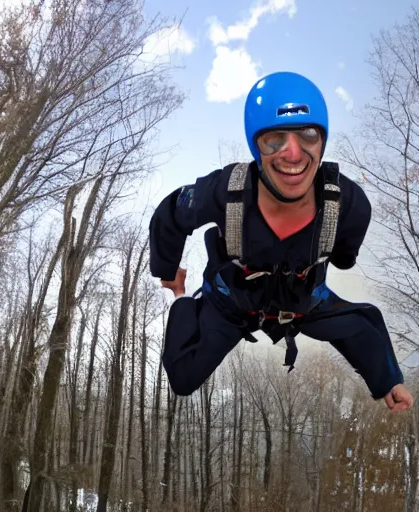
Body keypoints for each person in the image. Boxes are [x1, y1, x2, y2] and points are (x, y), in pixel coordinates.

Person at [149, 71, 413, 412]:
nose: (293, 154)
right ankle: (181, 299)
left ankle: (389, 380)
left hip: (304, 302)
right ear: (255, 145)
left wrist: (387, 380)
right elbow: (171, 213)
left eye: (308, 135)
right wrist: (168, 270)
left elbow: (345, 258)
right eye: (274, 138)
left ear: (322, 140)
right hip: (232, 304)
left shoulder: (348, 205)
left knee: (362, 324)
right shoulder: (226, 192)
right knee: (182, 378)